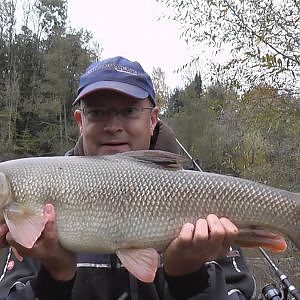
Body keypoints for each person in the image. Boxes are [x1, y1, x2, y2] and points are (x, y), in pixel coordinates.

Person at [0, 56, 257, 299]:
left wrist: (188, 276)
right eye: (98, 113)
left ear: (153, 119)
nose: (113, 126)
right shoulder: (37, 201)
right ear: (80, 121)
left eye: (130, 111)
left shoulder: (199, 191)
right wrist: (56, 274)